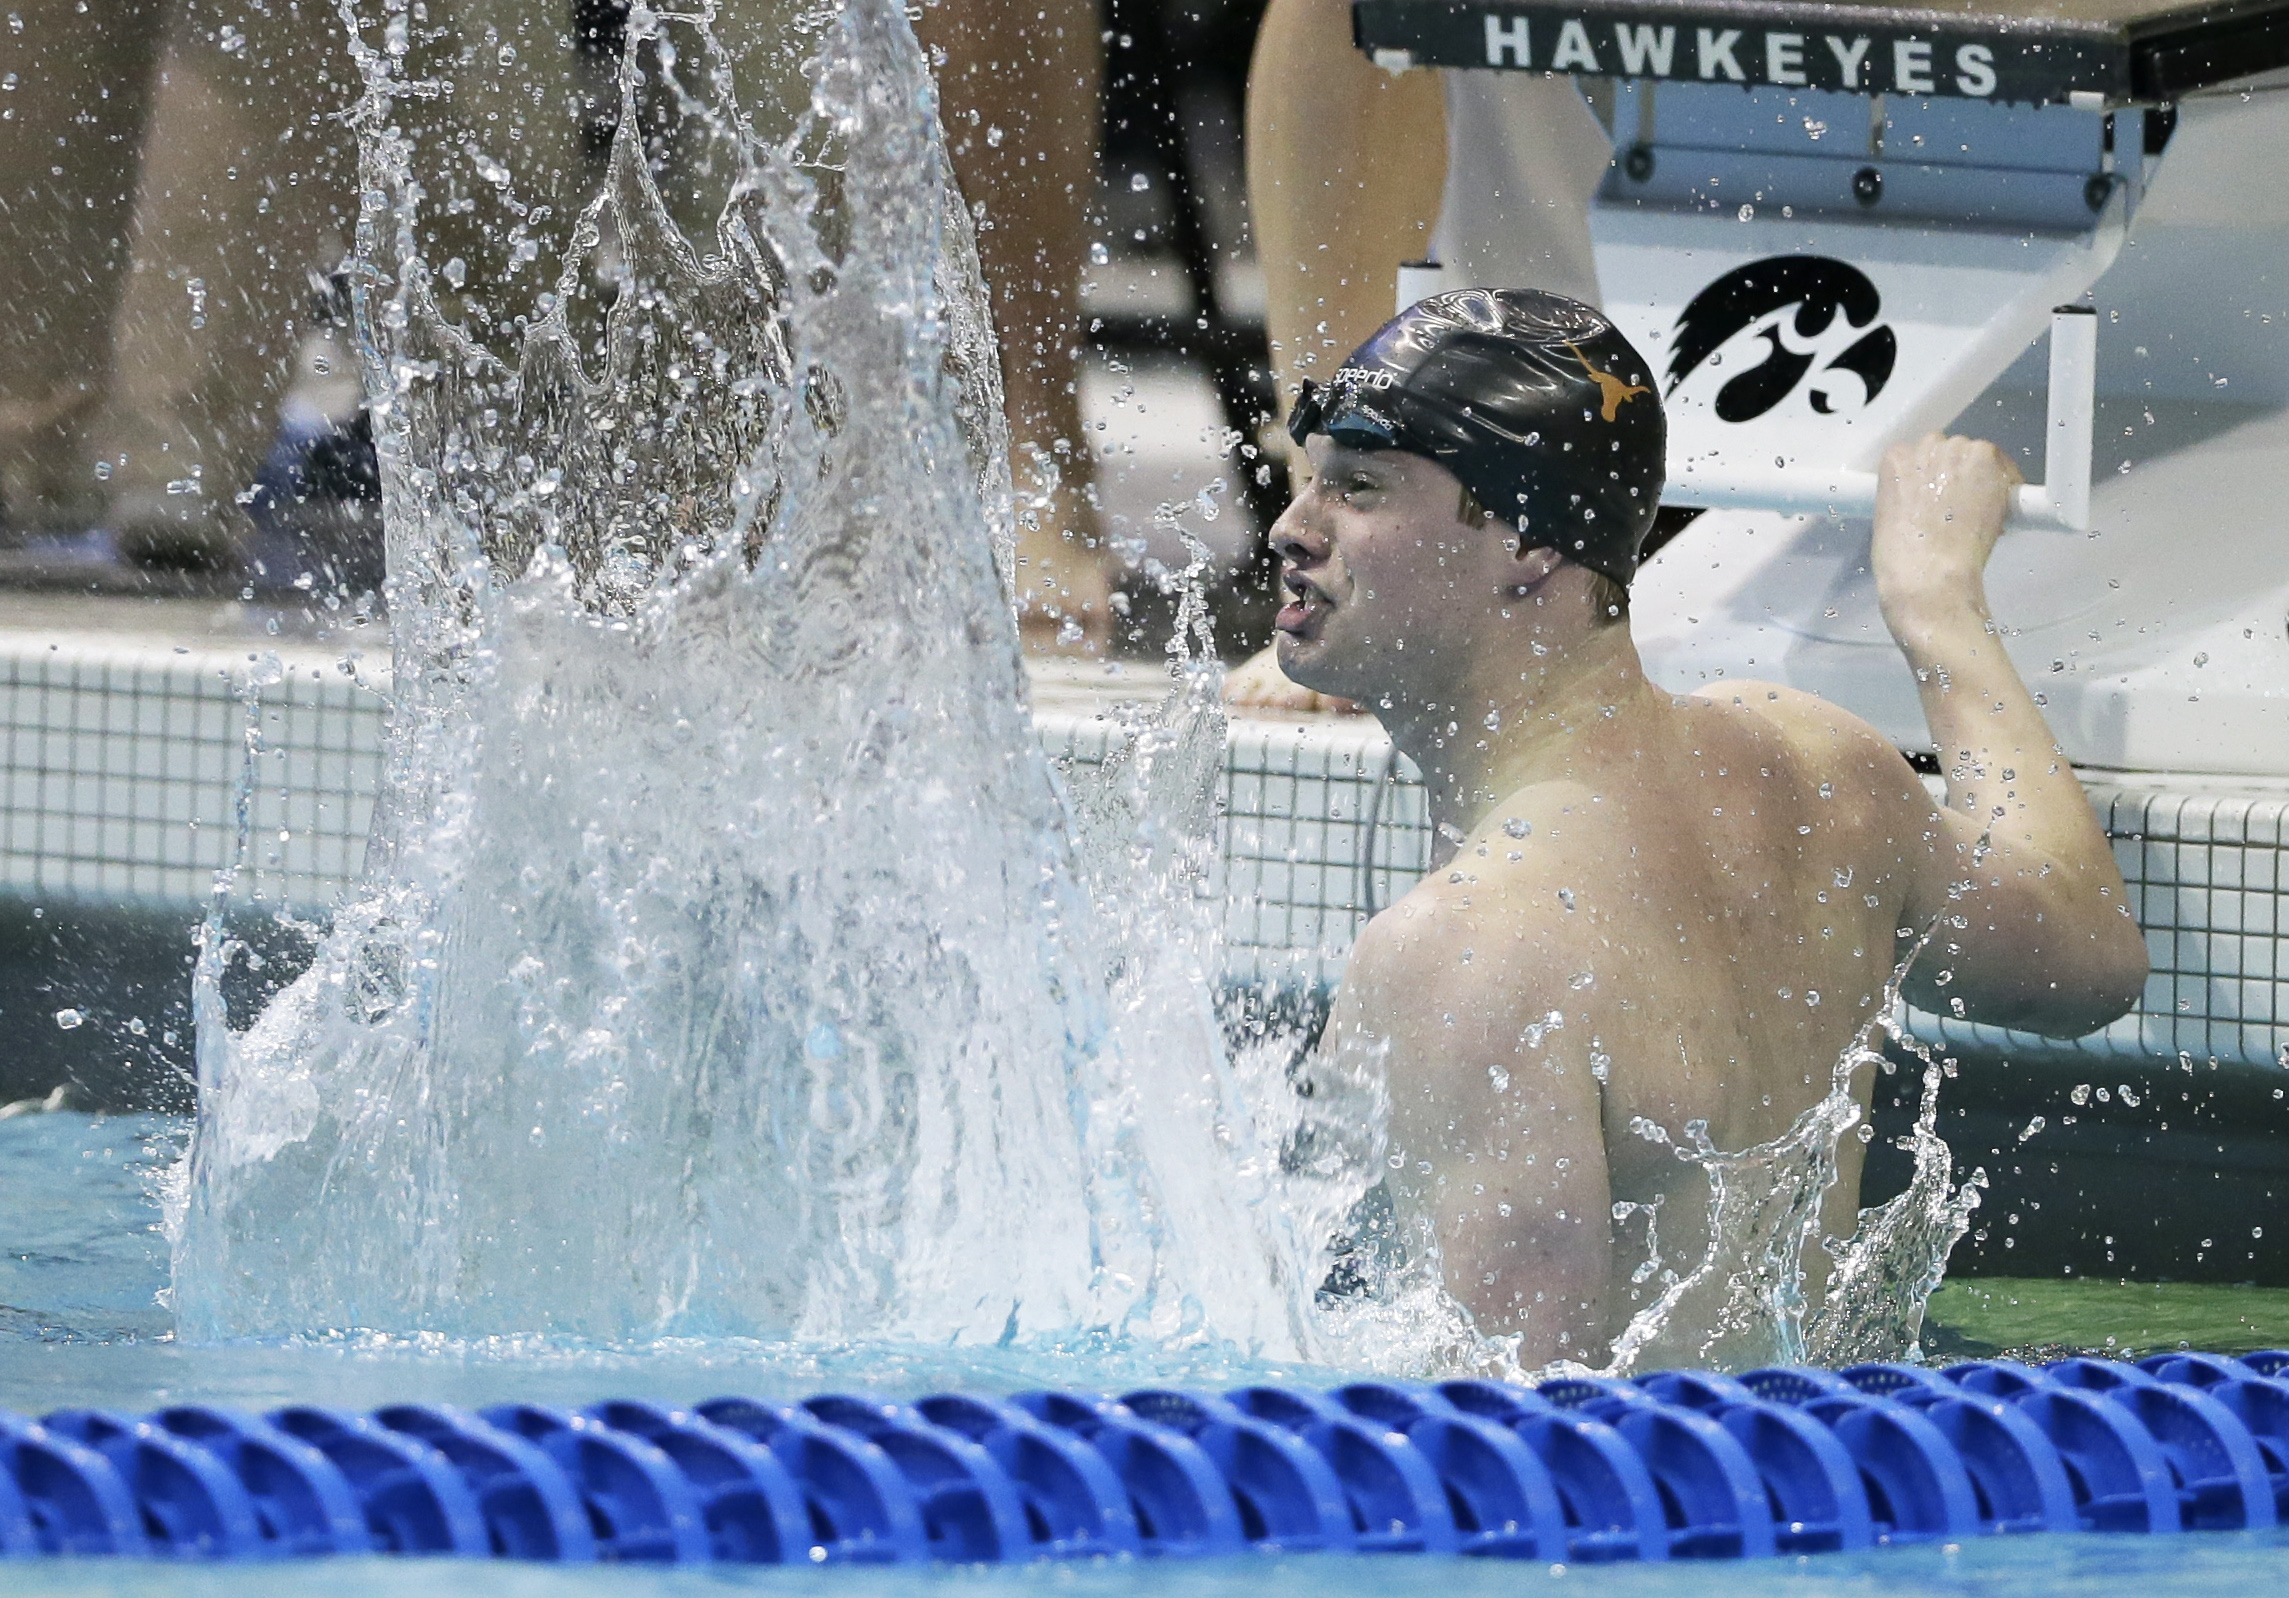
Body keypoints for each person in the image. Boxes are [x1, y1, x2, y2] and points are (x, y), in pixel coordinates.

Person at [1276, 288, 2149, 1365]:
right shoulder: (1816, 768)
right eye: (1311, 477)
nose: (1291, 525)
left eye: (1356, 488)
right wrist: (1935, 602)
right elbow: (2091, 953)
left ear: (1529, 549)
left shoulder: (1462, 950)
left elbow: (1519, 1463)